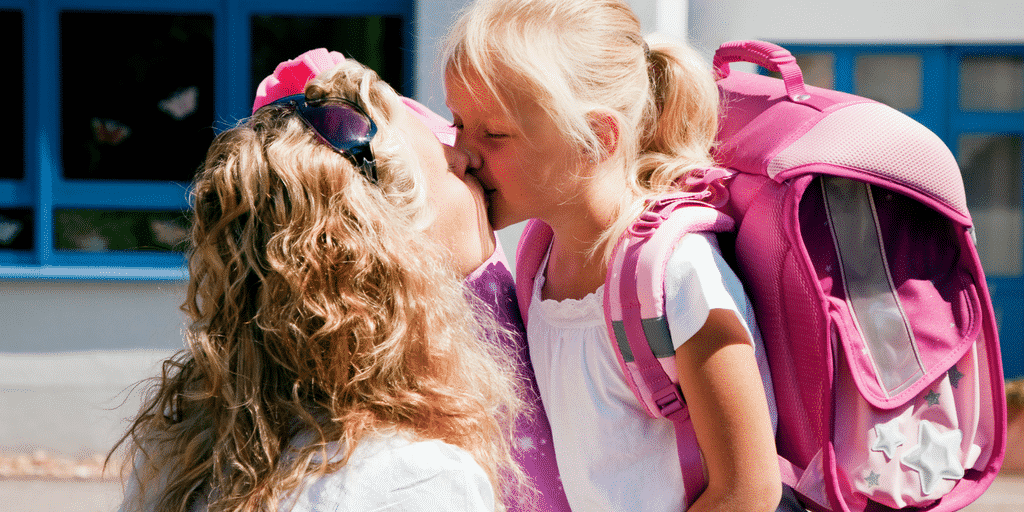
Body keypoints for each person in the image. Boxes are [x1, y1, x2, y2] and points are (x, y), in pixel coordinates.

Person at [112, 48, 552, 512]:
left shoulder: (179, 451)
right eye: (450, 164)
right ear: (399, 258)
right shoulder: (416, 480)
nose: (471, 161)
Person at [443, 1, 789, 511]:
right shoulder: (539, 260)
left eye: (494, 133)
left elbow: (749, 490)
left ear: (597, 139)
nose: (461, 152)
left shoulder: (676, 274)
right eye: (457, 122)